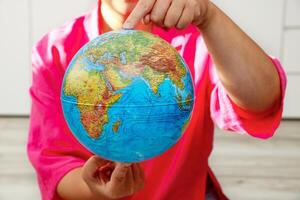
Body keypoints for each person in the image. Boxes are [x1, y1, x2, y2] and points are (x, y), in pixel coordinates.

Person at [27, 0, 287, 200]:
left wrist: (209, 16)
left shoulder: (198, 40)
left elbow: (261, 102)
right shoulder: (54, 51)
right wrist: (94, 190)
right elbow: (54, 164)